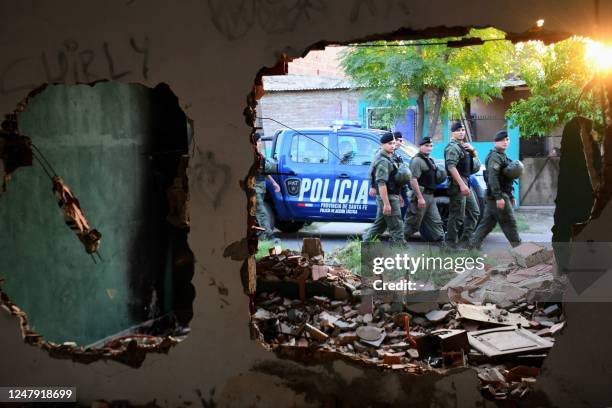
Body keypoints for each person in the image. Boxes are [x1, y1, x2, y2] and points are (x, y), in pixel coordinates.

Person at [469, 130, 521, 249]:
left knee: (487, 223)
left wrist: (511, 196)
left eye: (507, 139)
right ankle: (519, 248)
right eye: (501, 140)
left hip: (498, 195)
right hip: (498, 195)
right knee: (509, 222)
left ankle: (473, 245)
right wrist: (499, 197)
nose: (505, 142)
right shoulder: (495, 157)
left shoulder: (503, 156)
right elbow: (493, 178)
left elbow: (507, 179)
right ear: (495, 142)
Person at [362, 132, 406, 243]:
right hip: (388, 197)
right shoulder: (383, 160)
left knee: (380, 226)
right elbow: (381, 183)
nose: (392, 145)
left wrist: (399, 195)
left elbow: (394, 179)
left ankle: (365, 244)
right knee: (397, 228)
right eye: (389, 143)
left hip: (393, 194)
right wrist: (386, 204)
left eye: (393, 143)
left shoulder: (390, 157)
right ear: (382, 145)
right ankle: (401, 255)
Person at [444, 121, 481, 248]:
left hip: (465, 180)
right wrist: (462, 185)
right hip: (458, 183)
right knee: (457, 215)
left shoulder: (463, 146)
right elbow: (451, 167)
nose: (461, 132)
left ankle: (466, 241)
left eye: (463, 130)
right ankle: (449, 245)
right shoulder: (452, 147)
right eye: (458, 130)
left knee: (474, 212)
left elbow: (474, 165)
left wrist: (473, 151)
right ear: (452, 132)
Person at [403, 137, 445, 243]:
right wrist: (420, 198)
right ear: (420, 146)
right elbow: (413, 180)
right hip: (421, 196)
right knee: (412, 224)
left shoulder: (430, 160)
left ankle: (443, 246)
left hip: (430, 197)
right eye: (426, 146)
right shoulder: (417, 160)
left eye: (431, 146)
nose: (429, 148)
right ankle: (397, 245)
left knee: (436, 222)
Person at [254, 133, 280, 241]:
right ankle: (269, 235)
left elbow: (265, 171)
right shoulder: (252, 156)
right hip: (255, 188)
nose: (260, 143)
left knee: (258, 212)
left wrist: (274, 183)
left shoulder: (260, 156)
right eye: (259, 141)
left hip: (261, 187)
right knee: (261, 212)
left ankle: (260, 235)